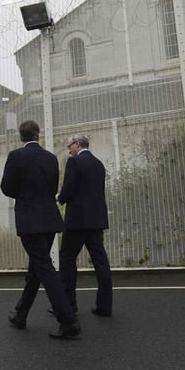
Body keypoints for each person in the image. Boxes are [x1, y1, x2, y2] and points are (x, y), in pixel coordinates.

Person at [0, 120, 81, 339]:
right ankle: (21, 314)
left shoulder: (16, 156)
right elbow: (52, 187)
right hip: (49, 219)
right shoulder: (51, 158)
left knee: (44, 268)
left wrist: (25, 195)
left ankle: (68, 320)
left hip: (29, 220)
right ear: (38, 135)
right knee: (36, 268)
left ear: (21, 136)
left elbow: (6, 187)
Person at [57, 133, 113, 317]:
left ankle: (68, 305)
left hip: (77, 221)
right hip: (96, 220)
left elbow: (68, 188)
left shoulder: (73, 163)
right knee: (100, 262)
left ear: (77, 144)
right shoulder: (98, 164)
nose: (69, 150)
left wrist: (59, 198)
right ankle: (104, 305)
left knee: (67, 258)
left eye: (69, 146)